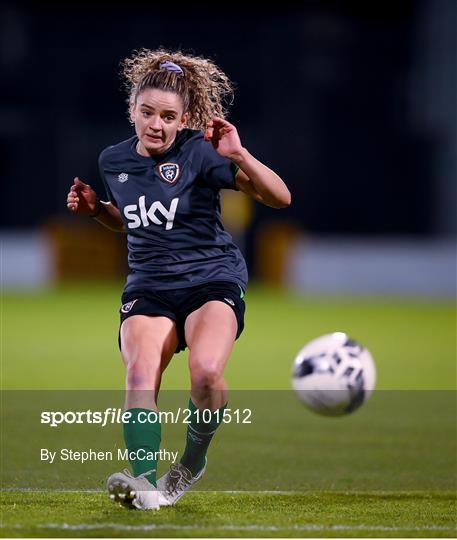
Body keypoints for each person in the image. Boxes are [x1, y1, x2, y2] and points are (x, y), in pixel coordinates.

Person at [66, 48, 291, 511]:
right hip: (149, 285)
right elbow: (133, 220)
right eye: (146, 112)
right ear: (132, 111)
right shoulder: (112, 161)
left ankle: (190, 462)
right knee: (140, 372)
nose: (155, 124)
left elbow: (280, 198)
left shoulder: (202, 153)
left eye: (168, 116)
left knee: (206, 373)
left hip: (212, 280)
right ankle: (144, 482)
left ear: (184, 118)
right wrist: (98, 212)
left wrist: (240, 154)